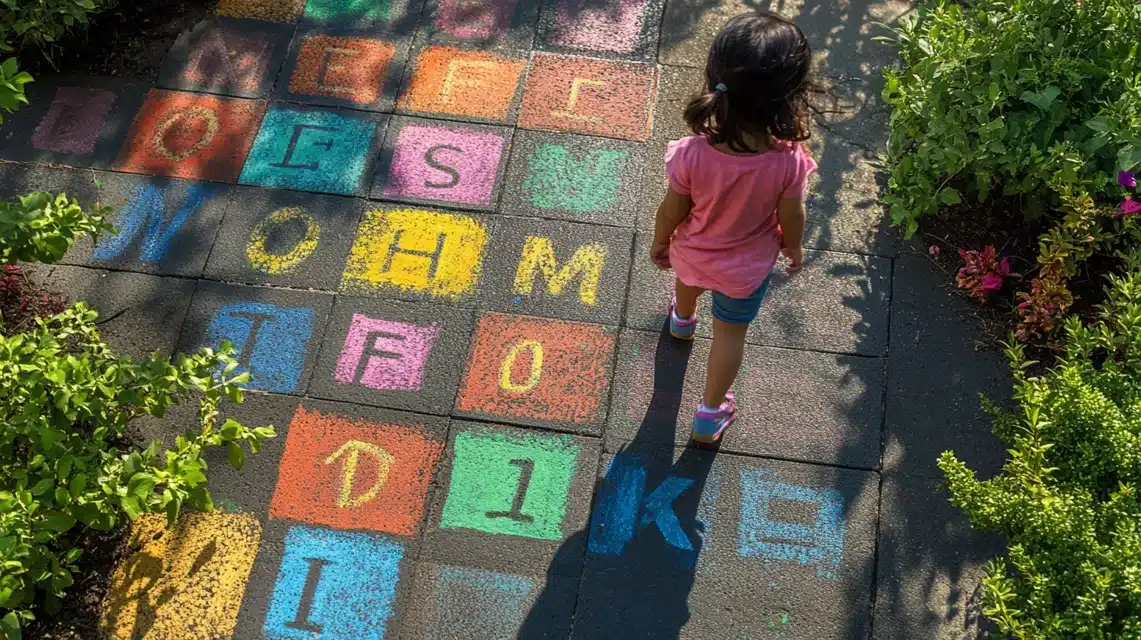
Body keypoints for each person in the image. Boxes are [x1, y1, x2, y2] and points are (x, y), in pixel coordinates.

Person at [650, 10, 820, 444]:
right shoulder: (787, 161)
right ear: (790, 95)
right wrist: (793, 245)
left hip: (693, 253)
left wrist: (660, 241)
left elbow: (671, 209)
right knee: (729, 335)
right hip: (745, 271)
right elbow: (791, 215)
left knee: (687, 281)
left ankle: (682, 320)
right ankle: (709, 414)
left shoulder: (691, 153)